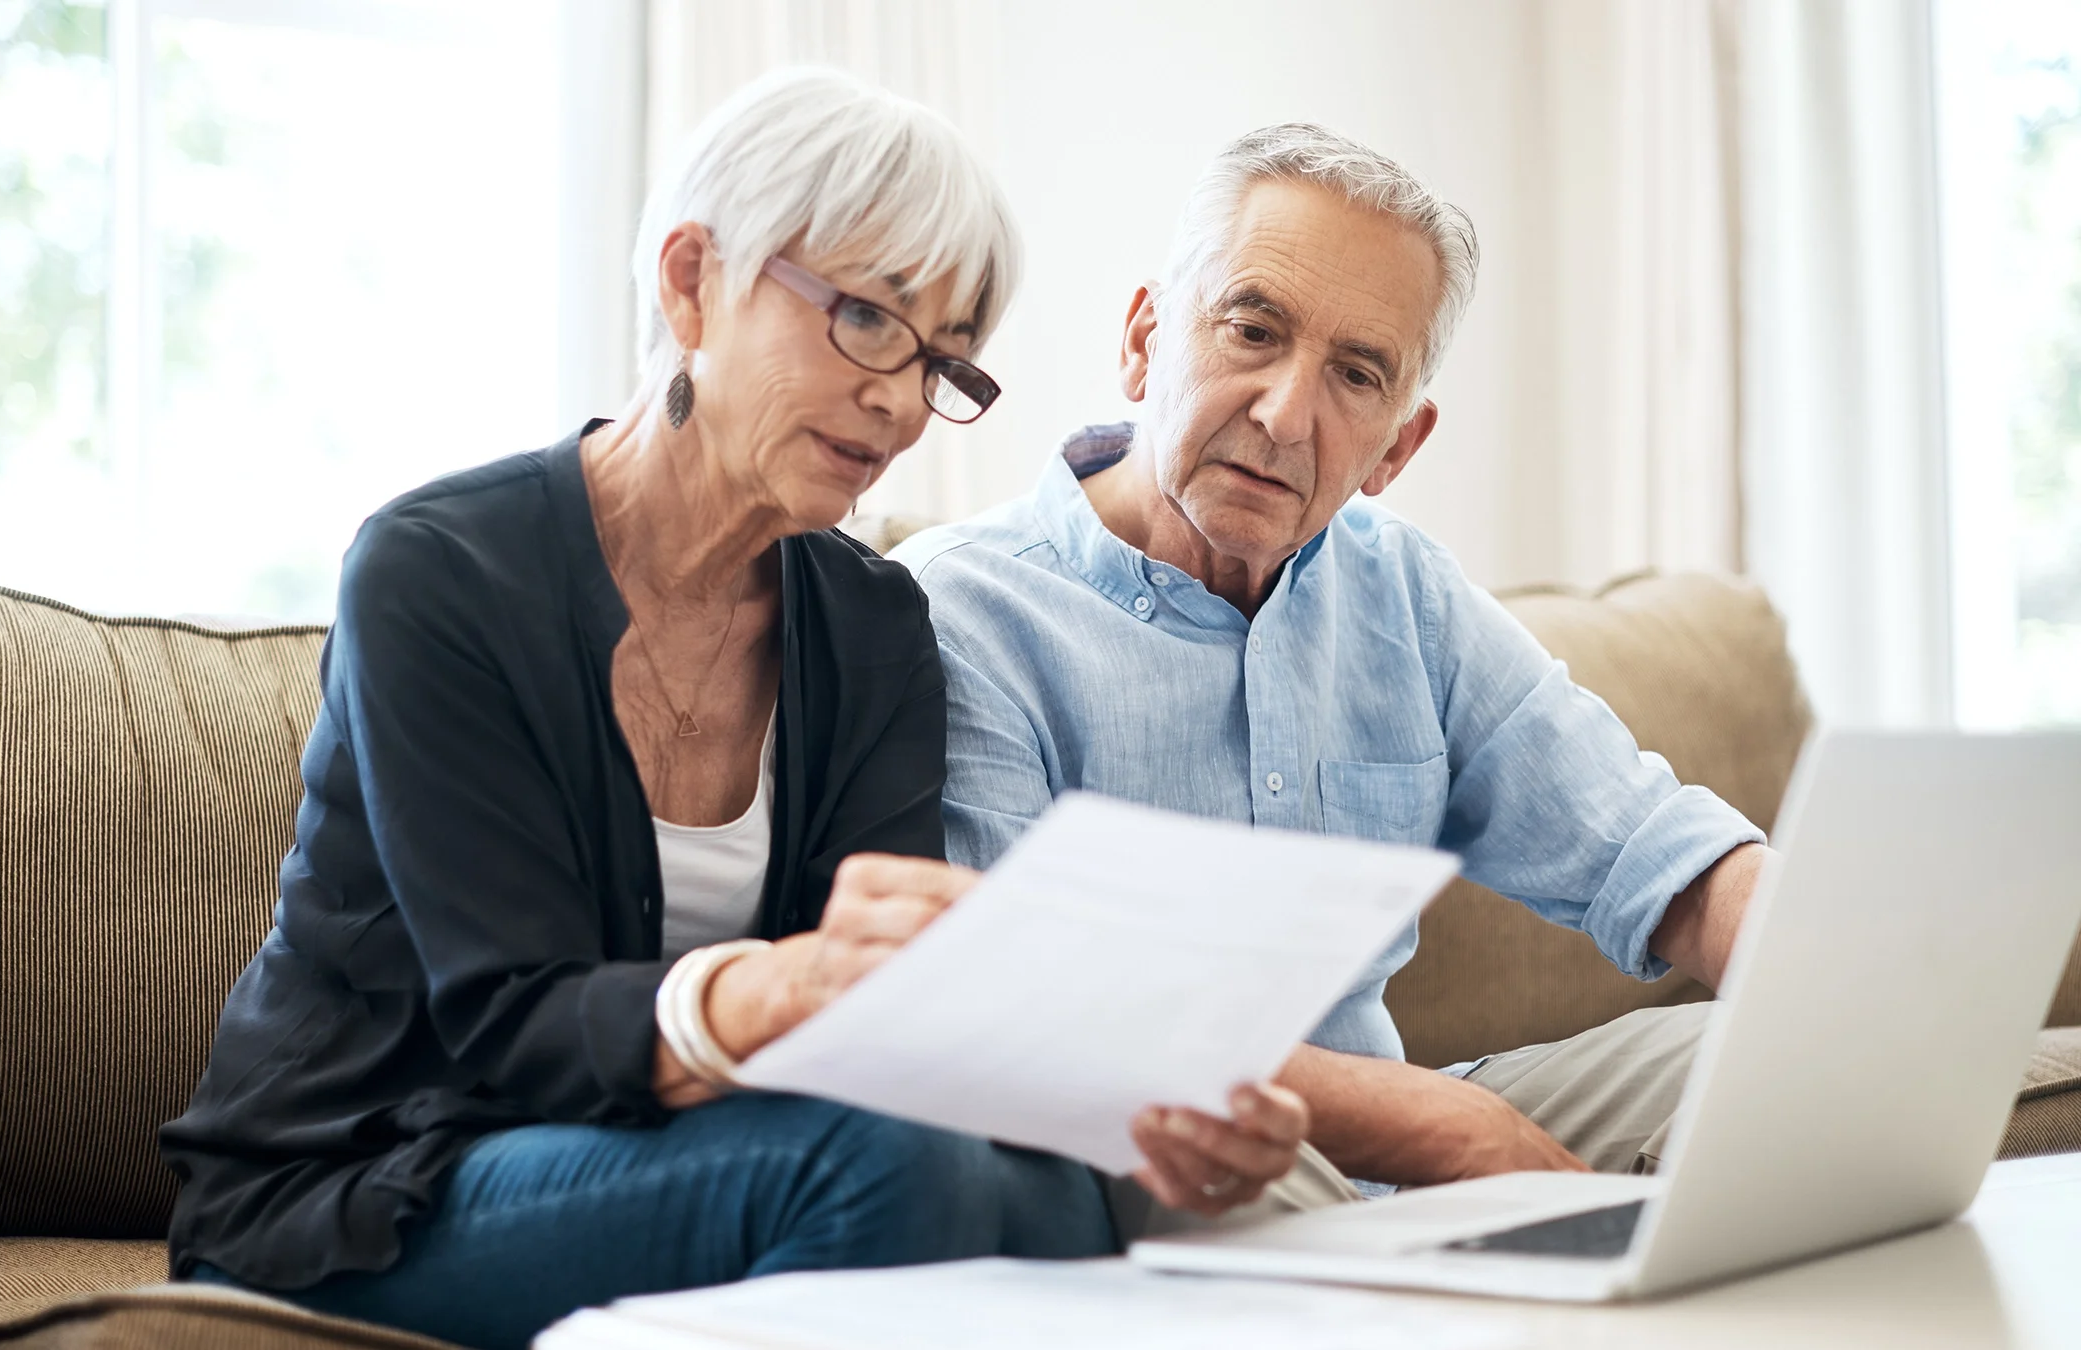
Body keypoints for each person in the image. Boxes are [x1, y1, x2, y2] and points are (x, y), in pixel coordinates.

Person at [158, 71, 1309, 1350]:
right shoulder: (440, 572)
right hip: (376, 1182)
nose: (894, 397)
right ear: (693, 280)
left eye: (940, 362)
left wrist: (1148, 1110)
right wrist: (766, 993)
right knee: (887, 1171)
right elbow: (509, 1016)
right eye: (867, 318)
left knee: (1068, 1202)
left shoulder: (872, 625)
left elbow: (891, 1023)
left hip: (671, 1155)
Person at [894, 123, 1771, 1219]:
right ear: (1144, 340)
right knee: (1179, 1149)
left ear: (1397, 448)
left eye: (1356, 375)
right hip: (1158, 1146)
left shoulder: (1402, 592)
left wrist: (1861, 976)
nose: (1285, 413)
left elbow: (1655, 852)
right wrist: (1444, 1126)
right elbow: (1026, 1011)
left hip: (1389, 1160)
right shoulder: (961, 611)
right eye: (1252, 330)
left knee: (1749, 1068)